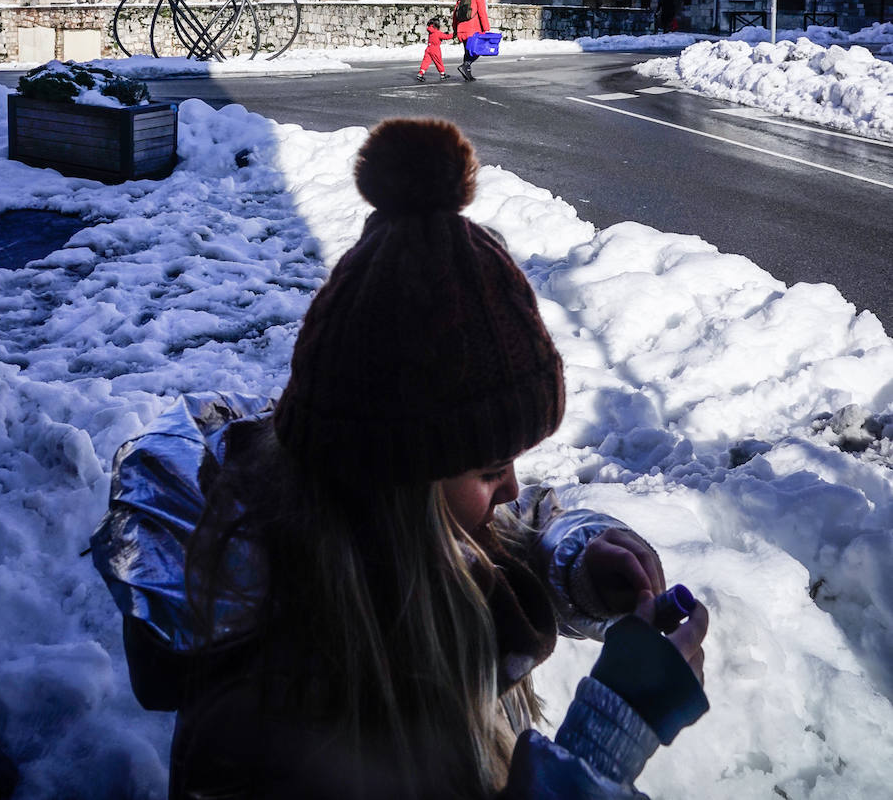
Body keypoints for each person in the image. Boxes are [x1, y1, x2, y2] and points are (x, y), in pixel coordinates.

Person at [93, 119, 709, 800]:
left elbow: (473, 535)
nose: (512, 487)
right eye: (487, 467)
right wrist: (604, 744)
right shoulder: (291, 735)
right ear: (396, 488)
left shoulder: (354, 553)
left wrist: (571, 561)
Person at [452, 0, 491, 81]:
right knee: (477, 51)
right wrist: (486, 28)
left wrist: (455, 30)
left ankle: (467, 74)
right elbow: (482, 13)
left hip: (461, 30)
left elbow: (455, 16)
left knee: (467, 51)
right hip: (473, 30)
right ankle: (466, 65)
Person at [418, 16, 452, 82]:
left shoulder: (430, 31)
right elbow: (446, 37)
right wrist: (454, 34)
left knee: (426, 62)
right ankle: (442, 74)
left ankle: (420, 74)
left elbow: (436, 36)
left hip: (429, 48)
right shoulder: (438, 33)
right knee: (438, 62)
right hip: (435, 49)